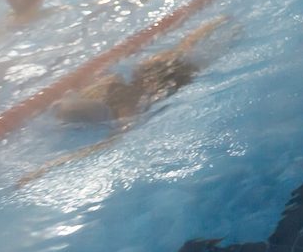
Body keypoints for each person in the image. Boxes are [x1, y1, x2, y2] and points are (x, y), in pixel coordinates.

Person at [18, 17, 229, 186]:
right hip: (83, 112)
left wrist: (46, 167)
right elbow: (109, 143)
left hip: (70, 112)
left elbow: (185, 45)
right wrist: (48, 167)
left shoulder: (115, 81)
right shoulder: (130, 105)